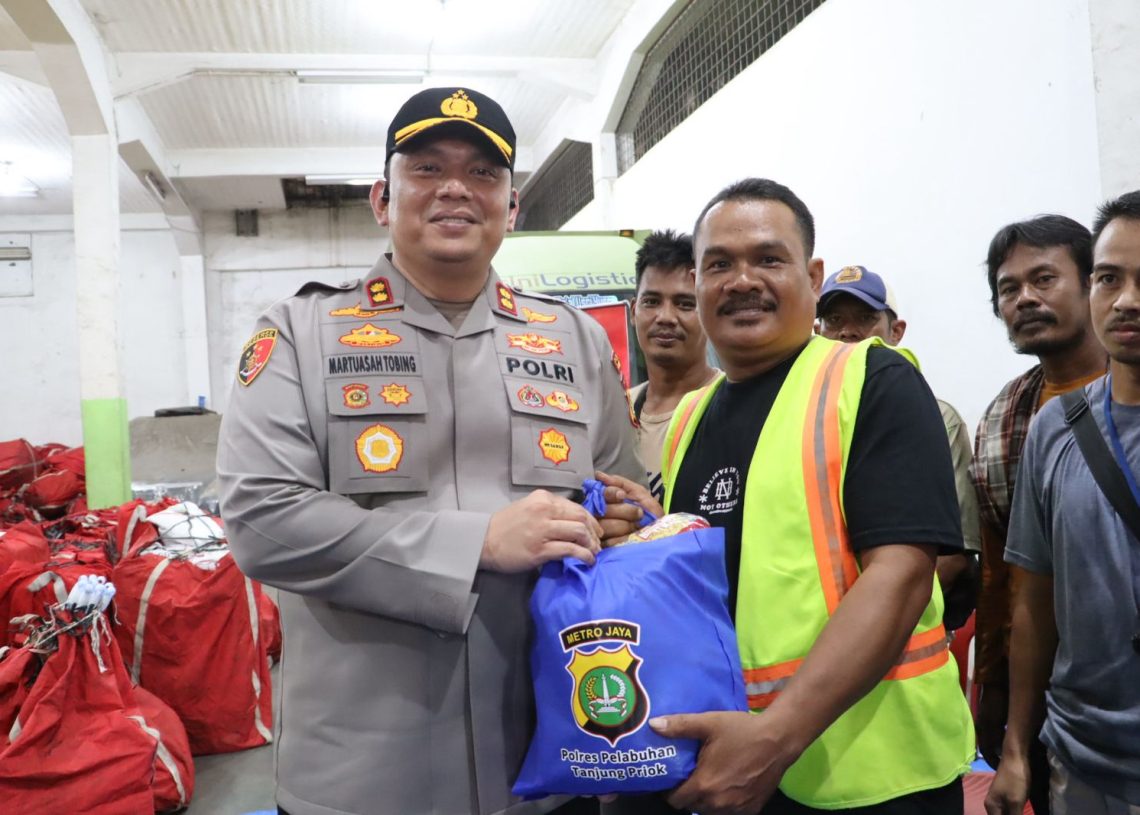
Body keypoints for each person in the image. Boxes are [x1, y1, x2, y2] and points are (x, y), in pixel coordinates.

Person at [216, 86, 643, 815]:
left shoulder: (574, 341)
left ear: (512, 208)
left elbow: (622, 502)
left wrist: (619, 521)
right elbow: (262, 518)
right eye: (426, 168)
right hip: (364, 778)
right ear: (382, 199)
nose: (455, 188)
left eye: (483, 172)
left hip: (549, 760)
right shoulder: (299, 333)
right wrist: (479, 543)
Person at [600, 178, 974, 814]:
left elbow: (902, 575)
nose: (742, 280)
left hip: (875, 774)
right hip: (739, 763)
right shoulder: (690, 419)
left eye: (769, 259)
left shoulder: (873, 378)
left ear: (813, 276)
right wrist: (649, 538)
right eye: (720, 264)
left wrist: (774, 738)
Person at [985, 190, 1140, 814]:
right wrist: (1015, 743)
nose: (1126, 300)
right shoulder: (1044, 424)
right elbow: (1031, 597)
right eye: (1110, 278)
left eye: (1045, 279)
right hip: (1082, 754)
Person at [970, 215, 1106, 813]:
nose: (1024, 298)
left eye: (1044, 279)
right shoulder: (1004, 414)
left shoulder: (1127, 392)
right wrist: (996, 696)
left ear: (1093, 283)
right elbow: (1000, 574)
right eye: (1009, 288)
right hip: (1047, 700)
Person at [816, 266, 981, 630]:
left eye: (865, 318)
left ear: (896, 331)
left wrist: (862, 627)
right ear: (817, 331)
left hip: (899, 632)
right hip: (817, 633)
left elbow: (952, 557)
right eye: (833, 320)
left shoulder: (938, 418)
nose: (847, 331)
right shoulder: (802, 421)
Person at [627, 230, 718, 503]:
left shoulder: (731, 405)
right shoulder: (619, 411)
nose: (665, 317)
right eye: (652, 302)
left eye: (685, 304)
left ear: (708, 311)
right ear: (634, 311)